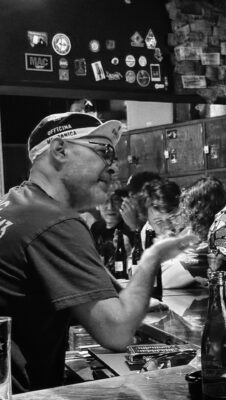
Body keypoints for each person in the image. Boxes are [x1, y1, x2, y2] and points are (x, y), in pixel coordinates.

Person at [0, 112, 197, 393]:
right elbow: (117, 332)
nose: (112, 166)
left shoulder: (15, 204)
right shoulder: (54, 221)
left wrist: (117, 290)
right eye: (103, 151)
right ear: (60, 150)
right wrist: (152, 258)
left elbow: (76, 273)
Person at [90, 191, 136, 270]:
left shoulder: (130, 228)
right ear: (97, 205)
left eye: (115, 200)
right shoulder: (95, 228)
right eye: (105, 201)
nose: (110, 207)